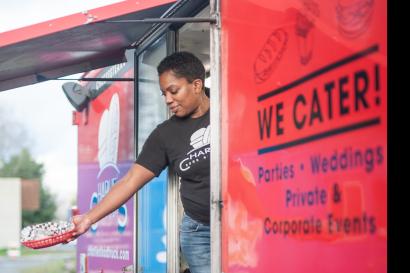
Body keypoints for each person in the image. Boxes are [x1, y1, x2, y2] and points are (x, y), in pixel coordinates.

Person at [70, 51, 211, 273]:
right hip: (199, 231)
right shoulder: (165, 135)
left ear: (196, 85)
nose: (168, 100)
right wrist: (89, 218)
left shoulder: (230, 108)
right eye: (164, 93)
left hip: (241, 220)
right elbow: (130, 181)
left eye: (174, 91)